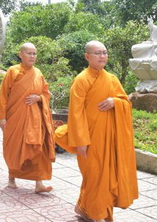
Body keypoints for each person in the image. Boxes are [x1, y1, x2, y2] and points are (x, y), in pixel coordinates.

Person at [55, 41, 138, 222]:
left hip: (109, 139)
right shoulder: (81, 80)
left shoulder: (112, 79)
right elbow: (76, 112)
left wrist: (115, 102)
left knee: (107, 178)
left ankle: (97, 213)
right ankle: (90, 210)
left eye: (104, 52)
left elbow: (126, 102)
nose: (102, 56)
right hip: (89, 138)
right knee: (94, 178)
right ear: (87, 56)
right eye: (97, 53)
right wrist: (80, 141)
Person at [0, 42, 54, 193]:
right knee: (14, 149)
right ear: (21, 55)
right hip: (15, 117)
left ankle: (39, 183)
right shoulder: (13, 71)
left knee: (37, 148)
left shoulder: (38, 73)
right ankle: (11, 179)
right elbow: (3, 95)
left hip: (34, 118)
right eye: (29, 53)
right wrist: (1, 118)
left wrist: (38, 98)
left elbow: (46, 93)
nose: (32, 56)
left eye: (34, 53)